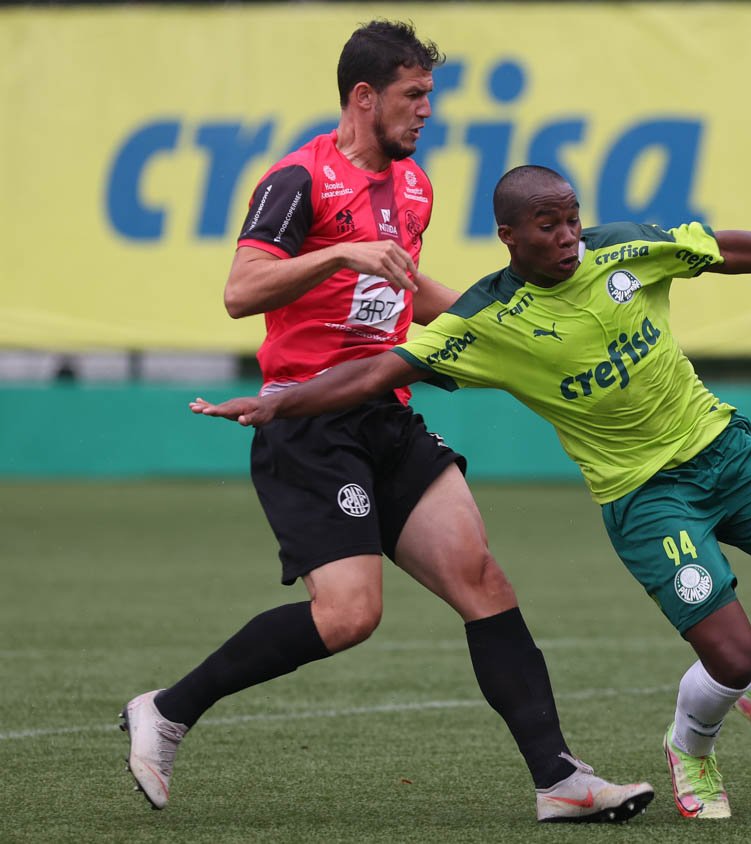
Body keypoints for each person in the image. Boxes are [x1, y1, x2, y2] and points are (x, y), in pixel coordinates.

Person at [189, 164, 751, 820]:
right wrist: (280, 403)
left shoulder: (624, 247)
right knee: (732, 657)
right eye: (548, 226)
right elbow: (378, 372)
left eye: (571, 220)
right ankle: (692, 745)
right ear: (508, 236)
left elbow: (724, 250)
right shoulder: (487, 320)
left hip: (726, 449)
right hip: (645, 496)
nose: (567, 238)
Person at [121, 21, 654, 824]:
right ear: (364, 96)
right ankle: (165, 709)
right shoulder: (298, 179)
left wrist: (515, 325)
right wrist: (340, 255)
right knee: (349, 617)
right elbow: (241, 290)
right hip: (309, 422)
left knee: (483, 580)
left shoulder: (414, 187)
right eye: (415, 96)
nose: (426, 112)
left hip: (387, 413)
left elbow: (411, 293)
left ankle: (559, 778)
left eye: (429, 96)